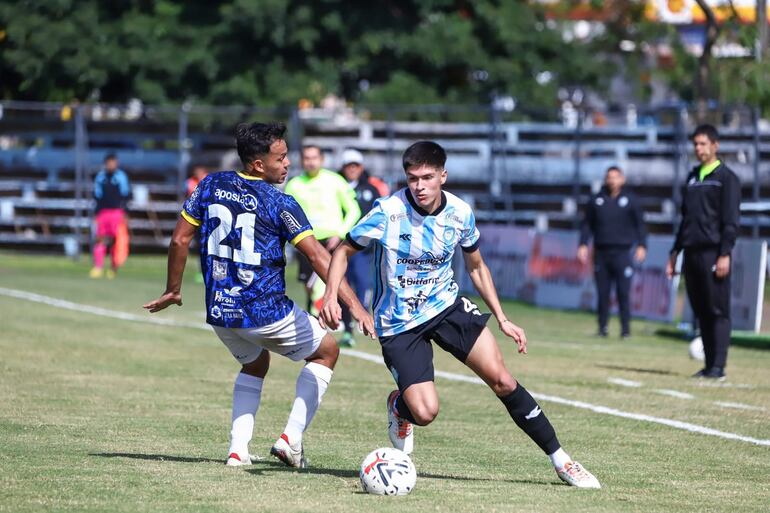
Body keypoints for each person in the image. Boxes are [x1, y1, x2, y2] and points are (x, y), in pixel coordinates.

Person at [320, 141, 600, 488]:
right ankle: (400, 408)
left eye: (427, 177)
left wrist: (502, 317)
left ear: (443, 176)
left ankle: (563, 461)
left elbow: (477, 266)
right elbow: (343, 251)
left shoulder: (460, 213)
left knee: (503, 380)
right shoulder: (387, 212)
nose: (419, 186)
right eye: (412, 179)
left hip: (446, 308)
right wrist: (333, 297)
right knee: (425, 412)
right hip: (399, 323)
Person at [143, 122, 374, 468]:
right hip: (265, 312)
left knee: (255, 363)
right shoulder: (279, 201)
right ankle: (290, 440)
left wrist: (173, 290)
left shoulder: (211, 184)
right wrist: (353, 304)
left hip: (221, 311)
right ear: (257, 164)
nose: (287, 165)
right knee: (327, 351)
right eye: (280, 159)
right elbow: (318, 256)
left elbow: (179, 240)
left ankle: (238, 451)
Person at [666, 124, 740, 380]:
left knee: (717, 310)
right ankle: (709, 365)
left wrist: (724, 253)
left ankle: (718, 366)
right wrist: (675, 251)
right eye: (695, 144)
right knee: (701, 310)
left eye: (703, 144)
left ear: (715, 145)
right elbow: (685, 220)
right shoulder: (692, 177)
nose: (698, 149)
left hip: (713, 252)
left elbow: (730, 221)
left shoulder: (726, 178)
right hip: (691, 253)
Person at [285, 145, 361, 347]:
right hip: (305, 242)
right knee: (309, 286)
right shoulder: (294, 184)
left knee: (337, 285)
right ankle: (313, 329)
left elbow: (353, 210)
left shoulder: (335, 181)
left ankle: (347, 331)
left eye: (314, 157)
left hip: (332, 240)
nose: (310, 161)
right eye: (306, 158)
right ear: (302, 160)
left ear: (322, 159)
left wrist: (341, 233)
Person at [577, 166, 647, 338]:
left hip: (622, 253)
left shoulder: (631, 200)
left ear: (622, 179)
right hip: (601, 252)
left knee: (623, 292)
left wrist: (642, 245)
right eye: (609, 177)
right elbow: (587, 224)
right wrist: (583, 244)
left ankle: (625, 330)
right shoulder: (596, 200)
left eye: (616, 177)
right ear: (605, 179)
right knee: (602, 292)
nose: (612, 180)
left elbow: (640, 225)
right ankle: (602, 328)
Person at [339, 148, 389, 311]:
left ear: (361, 167)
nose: (352, 169)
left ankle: (362, 313)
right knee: (341, 281)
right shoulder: (336, 186)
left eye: (356, 165)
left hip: (362, 246)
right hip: (339, 243)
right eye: (349, 165)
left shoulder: (371, 189)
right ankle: (343, 320)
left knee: (362, 280)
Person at [89, 153, 131, 279]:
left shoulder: (121, 177)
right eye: (109, 162)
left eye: (113, 162)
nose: (111, 165)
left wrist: (126, 213)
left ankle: (113, 267)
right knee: (100, 239)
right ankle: (98, 266)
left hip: (117, 212)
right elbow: (97, 196)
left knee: (115, 241)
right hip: (103, 212)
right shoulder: (100, 177)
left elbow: (126, 196)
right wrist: (96, 213)